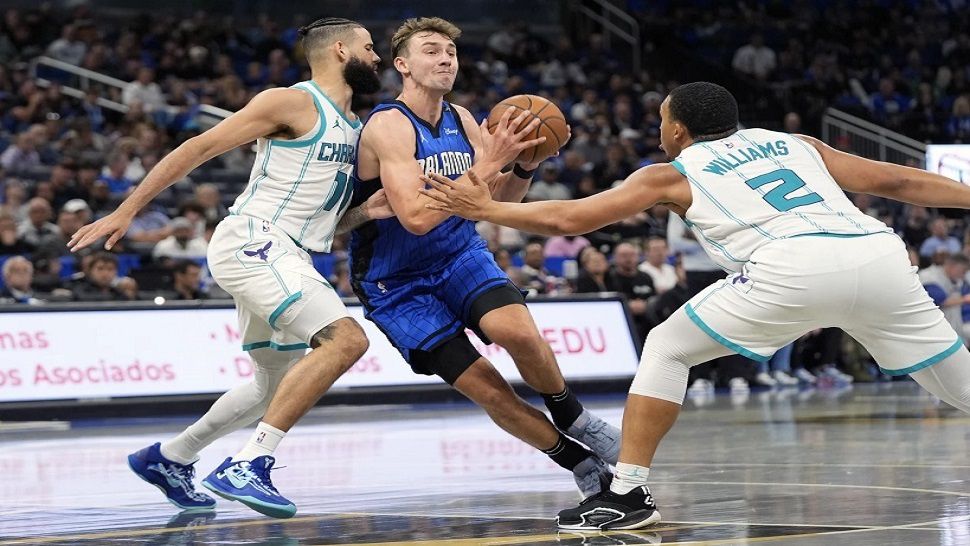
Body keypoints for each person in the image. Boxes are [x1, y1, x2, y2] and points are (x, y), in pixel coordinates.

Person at [422, 81, 970, 530]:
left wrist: (486, 206)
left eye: (662, 121)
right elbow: (899, 179)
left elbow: (572, 219)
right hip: (879, 255)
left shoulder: (672, 172)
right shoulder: (796, 143)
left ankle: (628, 493)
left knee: (665, 346)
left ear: (677, 130)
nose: (660, 130)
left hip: (792, 265)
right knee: (959, 387)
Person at [68, 17, 389, 519]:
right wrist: (127, 209)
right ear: (342, 50)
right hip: (255, 242)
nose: (378, 58)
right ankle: (249, 464)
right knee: (347, 340)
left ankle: (169, 458)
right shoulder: (291, 101)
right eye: (371, 48)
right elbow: (199, 148)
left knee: (272, 387)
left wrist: (367, 212)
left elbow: (321, 219)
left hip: (288, 251)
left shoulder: (354, 129)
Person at [349, 17, 620, 499]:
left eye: (451, 52)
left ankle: (571, 413)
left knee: (517, 331)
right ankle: (578, 462)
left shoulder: (464, 120)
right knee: (489, 387)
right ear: (403, 65)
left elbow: (500, 203)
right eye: (432, 50)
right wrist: (492, 161)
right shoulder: (387, 126)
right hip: (397, 282)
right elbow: (413, 216)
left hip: (459, 253)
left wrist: (523, 165)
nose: (446, 59)